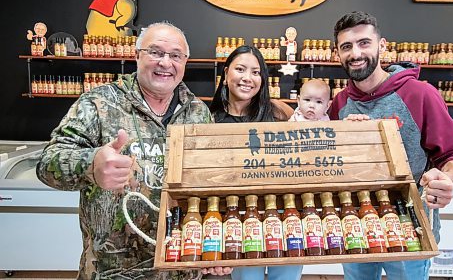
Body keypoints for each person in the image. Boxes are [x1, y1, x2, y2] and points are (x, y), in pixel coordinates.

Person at [36, 21, 230, 279]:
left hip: (182, 268)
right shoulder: (99, 102)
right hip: (113, 271)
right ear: (137, 55)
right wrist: (91, 165)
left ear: (185, 62)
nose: (165, 62)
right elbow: (48, 163)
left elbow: (209, 186)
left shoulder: (198, 112)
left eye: (175, 55)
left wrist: (215, 249)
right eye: (156, 52)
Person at [330, 11, 453, 280]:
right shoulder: (339, 103)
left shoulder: (419, 94)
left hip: (410, 228)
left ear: (382, 46)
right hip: (354, 226)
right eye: (346, 46)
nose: (356, 53)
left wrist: (446, 177)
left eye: (364, 43)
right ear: (337, 54)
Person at [210, 45, 299, 280]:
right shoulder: (209, 117)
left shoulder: (280, 112)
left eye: (256, 72)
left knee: (287, 275)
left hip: (282, 211)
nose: (248, 78)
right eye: (240, 69)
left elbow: (312, 139)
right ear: (227, 73)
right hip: (236, 214)